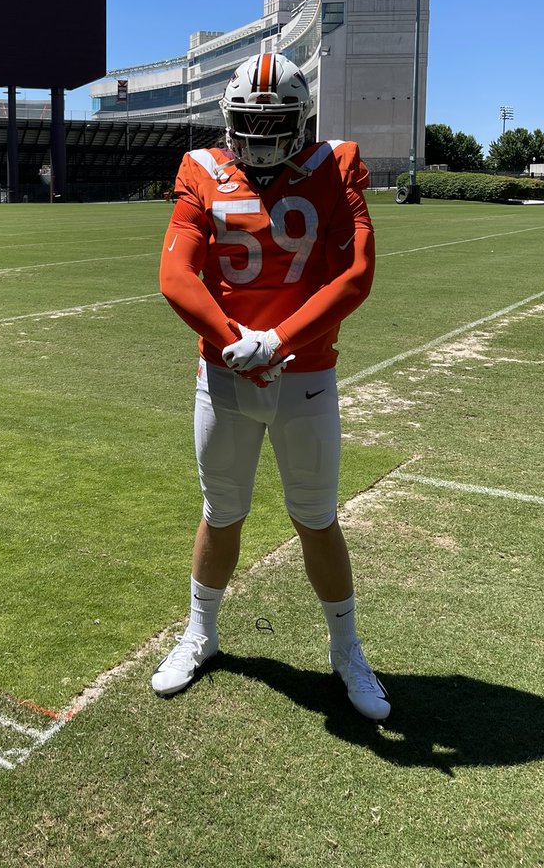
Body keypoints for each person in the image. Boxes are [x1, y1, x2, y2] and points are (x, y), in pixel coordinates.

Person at [153, 51, 389, 720]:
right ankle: (200, 633)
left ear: (301, 121)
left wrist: (278, 341)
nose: (257, 137)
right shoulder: (202, 170)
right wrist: (234, 341)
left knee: (315, 517)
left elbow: (357, 275)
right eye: (247, 123)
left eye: (273, 122)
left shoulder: (335, 166)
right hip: (225, 374)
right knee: (221, 511)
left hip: (303, 376)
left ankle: (346, 649)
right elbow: (175, 273)